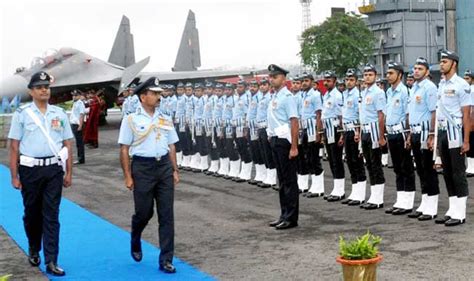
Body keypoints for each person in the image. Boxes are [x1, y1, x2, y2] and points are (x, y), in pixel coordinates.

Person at [8, 71, 73, 276]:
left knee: (52, 216)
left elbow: (67, 144)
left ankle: (52, 260)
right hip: (30, 170)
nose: (44, 90)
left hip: (53, 169)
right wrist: (14, 176)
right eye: (39, 87)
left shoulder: (59, 114)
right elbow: (14, 146)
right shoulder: (22, 114)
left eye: (46, 87)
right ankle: (34, 248)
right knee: (32, 214)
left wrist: (69, 172)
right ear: (31, 91)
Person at [118, 77, 180, 273]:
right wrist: (128, 175)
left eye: (159, 93)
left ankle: (166, 259)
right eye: (154, 93)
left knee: (167, 214)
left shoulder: (165, 118)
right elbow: (124, 149)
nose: (158, 96)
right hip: (142, 168)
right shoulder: (131, 119)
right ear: (143, 96)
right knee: (144, 212)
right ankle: (136, 235)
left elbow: (171, 145)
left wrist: (175, 169)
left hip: (163, 167)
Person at [433, 50, 471, 226]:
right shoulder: (441, 84)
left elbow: (466, 115)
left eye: (445, 61)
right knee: (447, 172)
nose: (441, 64)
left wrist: (466, 140)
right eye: (441, 62)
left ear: (453, 64)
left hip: (455, 131)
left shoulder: (462, 84)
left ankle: (461, 212)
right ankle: (452, 208)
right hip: (442, 131)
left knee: (457, 173)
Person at [266, 64, 300, 230]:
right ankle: (283, 214)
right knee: (282, 180)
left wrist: (294, 146)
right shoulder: (275, 96)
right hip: (275, 139)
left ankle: (291, 217)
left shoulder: (287, 97)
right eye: (271, 77)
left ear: (283, 79)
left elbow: (294, 121)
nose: (272, 79)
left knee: (289, 181)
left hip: (285, 141)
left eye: (275, 77)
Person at [406, 57, 440, 220]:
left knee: (428, 169)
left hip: (426, 133)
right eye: (415, 68)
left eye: (420, 68)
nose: (416, 71)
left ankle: (432, 206)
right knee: (420, 169)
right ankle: (425, 202)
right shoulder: (414, 88)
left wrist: (432, 134)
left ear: (427, 71)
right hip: (415, 132)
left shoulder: (430, 87)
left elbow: (434, 111)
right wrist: (410, 134)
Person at [383, 62, 415, 215]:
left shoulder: (404, 92)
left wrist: (408, 135)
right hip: (391, 132)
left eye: (391, 73)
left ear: (400, 75)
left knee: (405, 166)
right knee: (397, 167)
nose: (388, 75)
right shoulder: (389, 92)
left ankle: (408, 202)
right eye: (388, 73)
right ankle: (400, 199)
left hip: (402, 132)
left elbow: (408, 114)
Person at [359, 64, 387, 210]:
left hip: (375, 130)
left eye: (370, 74)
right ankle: (373, 194)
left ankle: (378, 198)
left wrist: (381, 136)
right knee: (368, 163)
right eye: (365, 74)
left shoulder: (378, 92)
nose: (367, 77)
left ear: (375, 76)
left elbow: (381, 115)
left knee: (375, 163)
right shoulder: (364, 92)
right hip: (365, 130)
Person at [339, 69, 367, 206]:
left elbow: (359, 114)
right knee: (350, 161)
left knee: (357, 161)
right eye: (347, 79)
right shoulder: (345, 94)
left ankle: (360, 194)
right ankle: (355, 191)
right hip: (347, 130)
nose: (348, 82)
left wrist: (357, 132)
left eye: (351, 80)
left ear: (356, 81)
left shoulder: (357, 95)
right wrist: (342, 134)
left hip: (355, 131)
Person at [297, 73, 325, 198]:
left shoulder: (315, 95)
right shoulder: (303, 95)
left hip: (313, 128)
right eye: (302, 81)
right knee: (307, 157)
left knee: (314, 158)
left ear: (312, 82)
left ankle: (319, 188)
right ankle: (313, 185)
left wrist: (319, 133)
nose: (304, 83)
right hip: (305, 128)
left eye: (306, 81)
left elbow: (319, 114)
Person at [321, 70, 345, 202]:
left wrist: (341, 134)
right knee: (331, 160)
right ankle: (336, 188)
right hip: (327, 129)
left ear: (334, 81)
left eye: (329, 80)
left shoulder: (337, 95)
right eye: (325, 80)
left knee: (336, 160)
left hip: (335, 130)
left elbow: (341, 115)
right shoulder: (326, 95)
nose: (326, 82)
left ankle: (340, 190)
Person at [256, 78, 277, 188]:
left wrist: (270, 130)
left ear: (269, 86)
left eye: (265, 85)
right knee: (263, 152)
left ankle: (272, 178)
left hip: (267, 127)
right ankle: (268, 175)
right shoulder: (261, 97)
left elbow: (271, 115)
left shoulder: (270, 97)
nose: (262, 87)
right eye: (261, 85)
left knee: (269, 153)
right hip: (260, 127)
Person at [233, 80, 252, 182]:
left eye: (241, 87)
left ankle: (247, 172)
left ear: (245, 88)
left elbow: (246, 114)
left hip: (242, 127)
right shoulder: (238, 98)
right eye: (237, 87)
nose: (238, 89)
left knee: (244, 148)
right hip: (236, 126)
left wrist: (245, 129)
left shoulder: (246, 98)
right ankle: (243, 171)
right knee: (240, 148)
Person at [247, 80, 266, 185]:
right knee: (254, 151)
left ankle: (263, 174)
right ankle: (259, 174)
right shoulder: (251, 97)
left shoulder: (260, 97)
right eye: (251, 86)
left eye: (254, 86)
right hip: (251, 127)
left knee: (260, 151)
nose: (252, 88)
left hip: (258, 126)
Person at [206, 83, 225, 176]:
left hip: (221, 126)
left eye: (219, 91)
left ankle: (223, 168)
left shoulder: (223, 100)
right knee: (212, 145)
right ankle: (215, 165)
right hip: (211, 124)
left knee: (221, 147)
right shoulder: (211, 99)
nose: (217, 92)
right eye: (216, 91)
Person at [463, 69, 474, 177]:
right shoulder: (467, 89)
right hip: (468, 119)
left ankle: (472, 167)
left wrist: (471, 122)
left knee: (472, 144)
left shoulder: (472, 90)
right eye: (464, 78)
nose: (465, 80)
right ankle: (470, 166)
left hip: (471, 120)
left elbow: (472, 108)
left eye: (468, 78)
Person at [70, 90, 86, 164]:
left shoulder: (80, 103)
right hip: (74, 124)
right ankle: (80, 158)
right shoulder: (75, 103)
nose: (74, 97)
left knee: (79, 143)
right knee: (78, 143)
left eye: (76, 95)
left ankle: (81, 159)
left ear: (79, 96)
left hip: (77, 125)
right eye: (73, 95)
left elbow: (81, 115)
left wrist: (80, 125)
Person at [174, 82, 186, 168]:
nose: (179, 91)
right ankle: (179, 159)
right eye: (178, 89)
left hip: (184, 122)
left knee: (184, 140)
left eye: (181, 89)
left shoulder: (186, 99)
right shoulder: (178, 98)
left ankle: (184, 158)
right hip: (177, 121)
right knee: (177, 140)